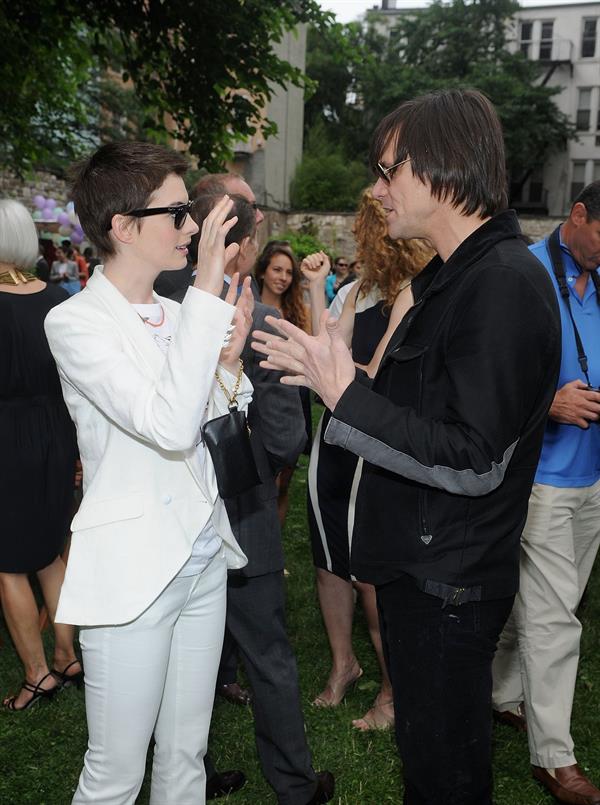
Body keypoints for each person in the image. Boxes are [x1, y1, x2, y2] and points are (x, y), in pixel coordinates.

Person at [252, 88, 561, 805]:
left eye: (389, 170)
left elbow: (472, 457)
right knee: (429, 767)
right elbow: (415, 410)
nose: (376, 189)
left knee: (444, 778)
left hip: (448, 582)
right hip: (422, 571)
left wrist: (345, 397)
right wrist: (332, 373)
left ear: (443, 166)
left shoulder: (502, 284)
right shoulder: (449, 277)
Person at [44, 140, 255, 805]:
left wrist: (227, 364)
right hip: (133, 572)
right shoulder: (75, 322)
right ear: (122, 227)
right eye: (177, 212)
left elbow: (210, 419)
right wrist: (206, 293)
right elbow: (166, 424)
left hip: (201, 557)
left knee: (187, 755)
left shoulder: (177, 314)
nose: (191, 227)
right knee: (115, 774)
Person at [172, 191, 335, 805]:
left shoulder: (160, 306)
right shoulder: (259, 323)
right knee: (267, 652)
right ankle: (294, 786)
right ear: (238, 245)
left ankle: (191, 773)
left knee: (185, 653)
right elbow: (288, 435)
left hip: (176, 512)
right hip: (243, 508)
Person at [302, 188, 431, 730]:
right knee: (329, 557)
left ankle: (392, 691)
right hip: (333, 439)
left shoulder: (414, 294)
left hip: (374, 447)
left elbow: (373, 377)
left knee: (371, 575)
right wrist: (314, 290)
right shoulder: (353, 292)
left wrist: (334, 370)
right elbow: (322, 355)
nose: (363, 238)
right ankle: (344, 666)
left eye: (366, 228)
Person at [492, 182, 600, 805]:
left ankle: (502, 694)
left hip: (591, 474)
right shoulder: (522, 272)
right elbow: (484, 377)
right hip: (540, 478)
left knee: (543, 602)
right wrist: (547, 402)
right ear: (577, 214)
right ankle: (555, 758)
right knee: (558, 618)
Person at [0, 199, 80, 711]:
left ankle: (36, 676)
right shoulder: (58, 299)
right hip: (57, 431)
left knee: (7, 565)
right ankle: (68, 655)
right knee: (51, 552)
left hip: (8, 434)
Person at [255, 241, 311, 526]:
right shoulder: (248, 308)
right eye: (277, 269)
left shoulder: (297, 313)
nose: (283, 277)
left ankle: (274, 543)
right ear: (263, 271)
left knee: (283, 483)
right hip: (260, 398)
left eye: (288, 272)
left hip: (293, 396)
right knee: (263, 482)